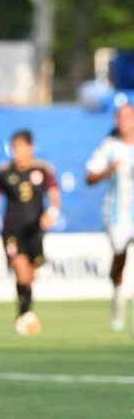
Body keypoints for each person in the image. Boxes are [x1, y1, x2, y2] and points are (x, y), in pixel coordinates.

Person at [0, 129, 60, 334]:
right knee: (20, 269)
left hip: (35, 230)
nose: (16, 152)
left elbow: (54, 195)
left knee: (29, 276)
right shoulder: (5, 171)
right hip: (12, 230)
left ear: (30, 148)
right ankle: (26, 315)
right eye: (14, 147)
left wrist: (51, 212)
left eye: (20, 147)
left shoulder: (43, 170)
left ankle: (24, 312)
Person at [86, 104, 134, 332]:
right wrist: (108, 171)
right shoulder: (110, 146)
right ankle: (117, 298)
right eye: (120, 116)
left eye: (127, 116)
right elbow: (89, 176)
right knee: (120, 259)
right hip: (118, 216)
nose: (123, 120)